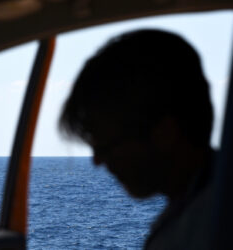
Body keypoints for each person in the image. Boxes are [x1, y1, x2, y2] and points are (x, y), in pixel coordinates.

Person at [59, 29, 215, 249]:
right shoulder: (198, 206)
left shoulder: (207, 228)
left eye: (107, 146)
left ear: (165, 133)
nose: (98, 161)